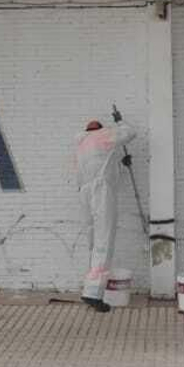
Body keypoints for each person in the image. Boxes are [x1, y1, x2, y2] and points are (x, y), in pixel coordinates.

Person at [76, 115, 137, 312]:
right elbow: (130, 133)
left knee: (94, 241)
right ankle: (93, 293)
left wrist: (120, 163)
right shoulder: (104, 135)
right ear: (100, 129)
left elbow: (102, 165)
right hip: (101, 192)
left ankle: (89, 286)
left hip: (85, 193)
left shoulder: (81, 144)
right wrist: (120, 122)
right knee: (104, 240)